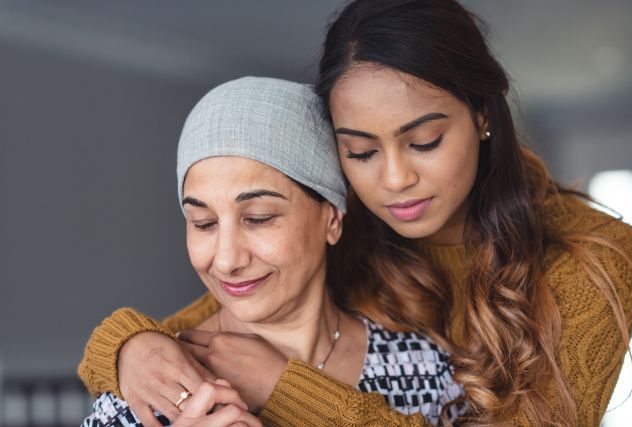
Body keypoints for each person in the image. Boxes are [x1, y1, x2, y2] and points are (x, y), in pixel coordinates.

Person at [78, 1, 632, 426]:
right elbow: (222, 307)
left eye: (424, 141)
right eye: (361, 152)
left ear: (483, 114)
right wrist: (128, 345)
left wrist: (284, 387)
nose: (393, 180)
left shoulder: (593, 262)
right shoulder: (355, 221)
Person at [80, 76, 466, 426]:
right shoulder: (150, 393)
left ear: (331, 219)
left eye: (259, 218)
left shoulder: (427, 368)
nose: (227, 260)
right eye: (203, 223)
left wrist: (286, 388)